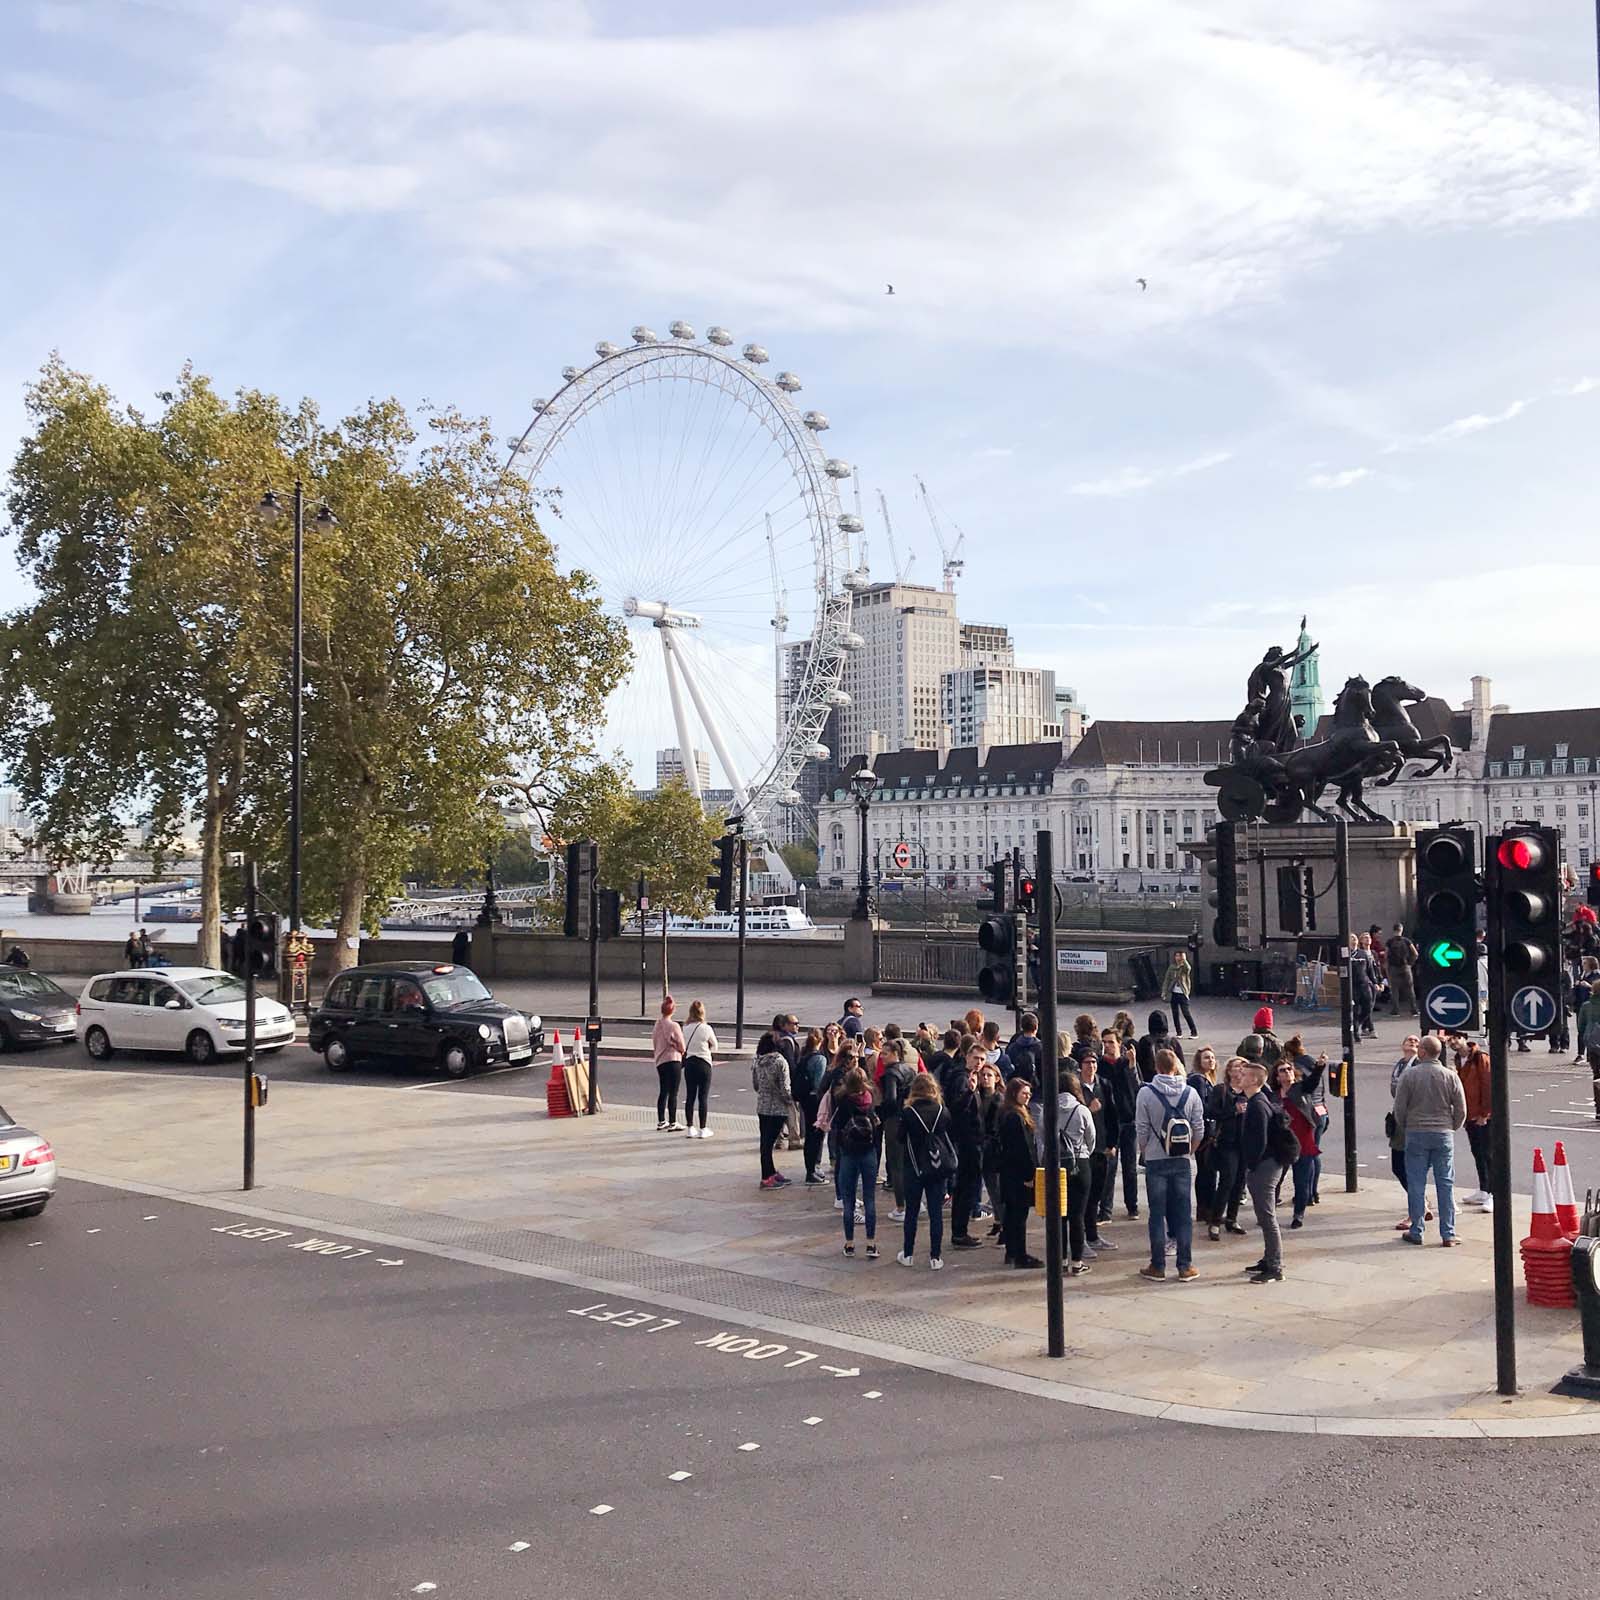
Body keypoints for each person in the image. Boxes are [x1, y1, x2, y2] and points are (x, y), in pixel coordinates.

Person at [1134, 1048, 1205, 1282]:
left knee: (1157, 1214)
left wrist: (1146, 1151)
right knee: (1183, 1213)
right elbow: (1199, 1128)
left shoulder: (1145, 1093)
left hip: (1156, 1159)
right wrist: (1190, 1151)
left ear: (1156, 1067)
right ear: (1176, 1067)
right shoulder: (1191, 1093)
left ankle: (1157, 1265)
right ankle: (1185, 1265)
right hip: (1182, 1159)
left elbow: (1141, 1130)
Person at [1393, 1035, 1467, 1245]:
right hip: (1443, 1133)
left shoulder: (1409, 1076)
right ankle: (1448, 1233)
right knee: (1445, 1184)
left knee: (1416, 1183)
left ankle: (1417, 1230)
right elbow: (1461, 1109)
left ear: (1423, 1052)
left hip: (1416, 1132)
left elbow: (1399, 1108)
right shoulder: (1450, 1076)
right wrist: (1451, 1126)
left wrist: (1408, 1126)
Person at [1038, 1064, 1097, 1275]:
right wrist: (1082, 1153)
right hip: (1079, 1163)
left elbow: (1043, 1137)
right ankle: (1077, 1262)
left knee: (1059, 1215)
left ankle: (1061, 1259)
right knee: (1077, 1215)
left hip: (1056, 1164)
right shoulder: (1081, 1110)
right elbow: (1091, 1139)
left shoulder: (1048, 1110)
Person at [898, 1074, 957, 1269]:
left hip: (913, 1166)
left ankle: (907, 1254)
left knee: (912, 1213)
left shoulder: (908, 1112)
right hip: (936, 1166)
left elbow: (900, 1138)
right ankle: (935, 1257)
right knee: (935, 1213)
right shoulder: (942, 1111)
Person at [1238, 1059, 1287, 1283]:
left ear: (1256, 1080)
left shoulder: (1258, 1105)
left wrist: (1251, 1164)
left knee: (1267, 1217)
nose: (1240, 1076)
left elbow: (1259, 1140)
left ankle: (1275, 1266)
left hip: (1264, 1166)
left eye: (1246, 1074)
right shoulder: (1257, 1100)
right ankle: (1269, 1259)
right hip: (1266, 1164)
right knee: (1264, 1215)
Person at [1274, 1042, 1327, 1229]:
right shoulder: (1274, 1095)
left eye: (1289, 1069)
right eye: (1283, 1070)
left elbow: (1312, 1082)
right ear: (1277, 1076)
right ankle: (1269, 1209)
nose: (1287, 1072)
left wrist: (1320, 1066)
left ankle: (1298, 1214)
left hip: (1303, 1140)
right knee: (1275, 1178)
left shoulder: (1300, 1088)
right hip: (1283, 1142)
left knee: (1302, 1180)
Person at [832, 1066, 881, 1258]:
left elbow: (837, 1128)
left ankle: (850, 1243)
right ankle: (871, 1243)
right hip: (868, 1153)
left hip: (849, 1153)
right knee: (869, 1199)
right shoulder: (870, 1100)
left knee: (849, 1202)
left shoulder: (842, 1101)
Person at [996, 1077, 1042, 1268]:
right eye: (1024, 1093)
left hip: (1009, 1171)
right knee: (1018, 1215)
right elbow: (1023, 1148)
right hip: (1017, 1173)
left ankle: (1013, 1252)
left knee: (1013, 1214)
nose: (1028, 1096)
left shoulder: (1011, 1113)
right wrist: (1029, 1174)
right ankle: (1019, 1254)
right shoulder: (1015, 1117)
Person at [1388, 1034, 1431, 1231]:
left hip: (1412, 1122)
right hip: (1400, 1121)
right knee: (1398, 1166)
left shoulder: (1418, 1066)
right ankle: (1422, 1203)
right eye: (1409, 1040)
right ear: (1402, 1045)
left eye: (1416, 1041)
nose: (1412, 1042)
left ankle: (1416, 1211)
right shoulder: (1399, 1065)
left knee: (1409, 1168)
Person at [1097, 1029, 1142, 1221]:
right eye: (1105, 1042)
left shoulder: (1127, 1064)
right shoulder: (1100, 1065)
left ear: (1119, 1045)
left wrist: (1132, 1067)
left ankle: (1132, 1206)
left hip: (1129, 1120)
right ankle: (1105, 1210)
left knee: (1130, 1167)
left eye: (1111, 1042)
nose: (1107, 1046)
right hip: (1110, 1122)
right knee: (1109, 1168)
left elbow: (1138, 1088)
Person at [1078, 1045, 1118, 1255]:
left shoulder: (1104, 1085)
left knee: (1096, 1195)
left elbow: (1112, 1115)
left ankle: (1092, 1235)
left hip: (1101, 1148)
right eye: (1087, 1063)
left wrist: (1112, 1144)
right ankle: (1081, 1238)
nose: (1091, 1066)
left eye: (1094, 1062)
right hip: (1083, 1150)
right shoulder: (1075, 1087)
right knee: (1083, 1196)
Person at [945, 1045, 986, 1249]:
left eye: (982, 1059)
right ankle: (959, 1233)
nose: (978, 1062)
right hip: (966, 1140)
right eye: (976, 1058)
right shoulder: (962, 1078)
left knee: (967, 1187)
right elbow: (956, 1107)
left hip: (971, 1139)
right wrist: (970, 1092)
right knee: (966, 1187)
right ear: (967, 1056)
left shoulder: (969, 1075)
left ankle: (960, 1231)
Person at [1207, 1059, 1251, 1241]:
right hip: (1227, 1142)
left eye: (1243, 1067)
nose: (1240, 1070)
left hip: (1245, 1143)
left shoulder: (1251, 1090)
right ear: (1229, 1071)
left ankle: (1232, 1219)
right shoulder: (1221, 1090)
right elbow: (1211, 1112)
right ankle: (1215, 1221)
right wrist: (1234, 1110)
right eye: (1236, 1067)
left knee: (1240, 1182)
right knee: (1227, 1180)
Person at [1452, 1033, 1493, 1210]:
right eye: (1450, 1039)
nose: (1453, 1042)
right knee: (1478, 1153)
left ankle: (1493, 1194)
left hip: (1482, 1116)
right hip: (1469, 1115)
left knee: (1489, 1154)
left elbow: (1488, 1085)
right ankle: (1484, 1189)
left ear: (1464, 1038)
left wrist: (1485, 1113)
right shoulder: (1457, 1059)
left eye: (1456, 1038)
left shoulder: (1480, 1058)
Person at [751, 1037, 794, 1189]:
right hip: (778, 1108)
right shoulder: (780, 1061)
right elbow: (785, 1088)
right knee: (768, 1144)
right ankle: (766, 1177)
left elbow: (756, 1085)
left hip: (762, 1106)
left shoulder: (757, 1061)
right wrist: (790, 1100)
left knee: (765, 1143)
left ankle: (771, 1172)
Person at [879, 1038, 915, 1218]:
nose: (882, 1056)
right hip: (910, 1118)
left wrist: (882, 1113)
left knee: (896, 1164)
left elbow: (890, 1099)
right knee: (909, 1162)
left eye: (885, 1053)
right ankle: (915, 1201)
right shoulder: (909, 1069)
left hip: (895, 1120)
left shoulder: (891, 1073)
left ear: (895, 1054)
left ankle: (902, 1206)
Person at [1187, 1046, 1221, 1230]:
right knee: (1207, 1170)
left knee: (1208, 1170)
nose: (1211, 1061)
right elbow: (1200, 1107)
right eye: (1207, 1058)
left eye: (1213, 1058)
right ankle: (1205, 1208)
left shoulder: (1207, 1079)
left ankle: (1206, 1208)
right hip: (1205, 1132)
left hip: (1209, 1130)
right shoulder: (1198, 1080)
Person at [678, 1001, 718, 1139]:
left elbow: (682, 1045)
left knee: (690, 1096)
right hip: (704, 1063)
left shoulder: (685, 1028)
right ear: (702, 1012)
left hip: (690, 1063)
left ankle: (690, 1127)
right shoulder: (706, 1028)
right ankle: (703, 1128)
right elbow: (715, 1045)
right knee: (703, 1097)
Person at [793, 1028, 829, 1183]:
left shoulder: (804, 1056)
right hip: (815, 1101)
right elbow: (818, 1084)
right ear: (821, 1041)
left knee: (810, 1134)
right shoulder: (820, 1059)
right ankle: (812, 1170)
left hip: (805, 1100)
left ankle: (811, 1168)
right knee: (817, 1135)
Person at [976, 1059, 1005, 1240]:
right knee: (992, 1189)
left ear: (996, 1078)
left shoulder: (999, 1099)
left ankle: (1003, 1224)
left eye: (989, 1075)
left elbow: (994, 1127)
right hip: (983, 1149)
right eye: (983, 1075)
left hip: (994, 1150)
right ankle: (998, 1221)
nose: (986, 1078)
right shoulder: (978, 1095)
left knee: (997, 1189)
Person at [651, 996, 686, 1132]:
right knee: (674, 1092)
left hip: (660, 1061)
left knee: (663, 1091)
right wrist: (680, 1049)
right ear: (672, 1010)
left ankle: (661, 1121)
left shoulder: (657, 1025)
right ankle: (673, 1122)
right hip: (673, 1060)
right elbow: (682, 1046)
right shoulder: (674, 1026)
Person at [1160, 951, 1199, 1038]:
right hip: (1174, 993)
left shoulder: (1184, 967)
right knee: (1175, 1014)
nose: (1178, 958)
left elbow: (1188, 968)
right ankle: (1179, 1032)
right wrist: (1164, 992)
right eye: (1177, 956)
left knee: (1186, 1012)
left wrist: (1184, 960)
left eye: (1180, 956)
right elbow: (1167, 980)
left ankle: (1194, 1032)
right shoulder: (1171, 967)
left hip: (1183, 993)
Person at [1349, 934, 1379, 1039]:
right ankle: (1356, 1032)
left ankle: (1358, 1024)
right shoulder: (1346, 954)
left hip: (1364, 984)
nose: (1354, 940)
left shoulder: (1362, 954)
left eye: (1355, 938)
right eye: (1351, 938)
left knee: (1368, 1007)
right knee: (1355, 1009)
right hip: (1353, 986)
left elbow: (1370, 970)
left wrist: (1375, 982)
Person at [1004, 1012, 1043, 1090]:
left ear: (1022, 1027)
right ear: (1036, 1027)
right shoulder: (1041, 1047)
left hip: (1016, 1085)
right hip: (1035, 1086)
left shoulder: (1013, 1047)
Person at [1386, 924, 1418, 1015]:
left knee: (1395, 990)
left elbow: (1386, 955)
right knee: (1410, 989)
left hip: (1393, 968)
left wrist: (1387, 966)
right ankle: (1414, 1010)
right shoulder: (1407, 941)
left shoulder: (1389, 942)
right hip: (1405, 967)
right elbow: (1415, 953)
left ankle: (1395, 1010)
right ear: (1401, 930)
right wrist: (1410, 964)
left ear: (1393, 930)